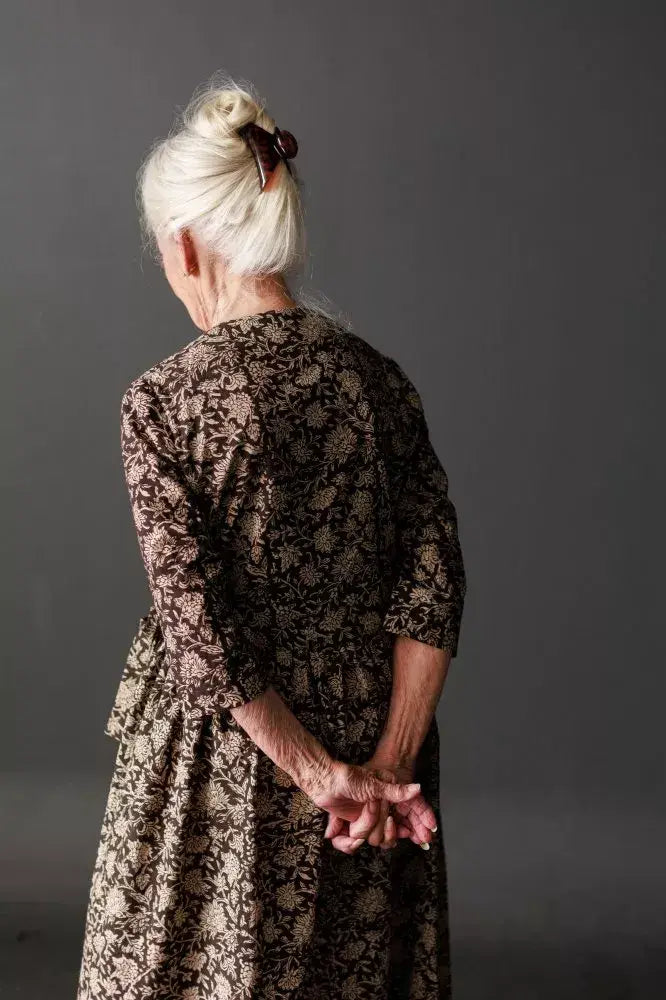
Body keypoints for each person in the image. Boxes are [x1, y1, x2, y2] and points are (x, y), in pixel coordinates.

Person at [76, 73, 467, 1000]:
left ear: (185, 243)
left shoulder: (164, 402)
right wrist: (387, 766)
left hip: (229, 757)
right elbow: (434, 585)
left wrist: (319, 774)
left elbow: (200, 630)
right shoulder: (381, 383)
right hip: (372, 727)